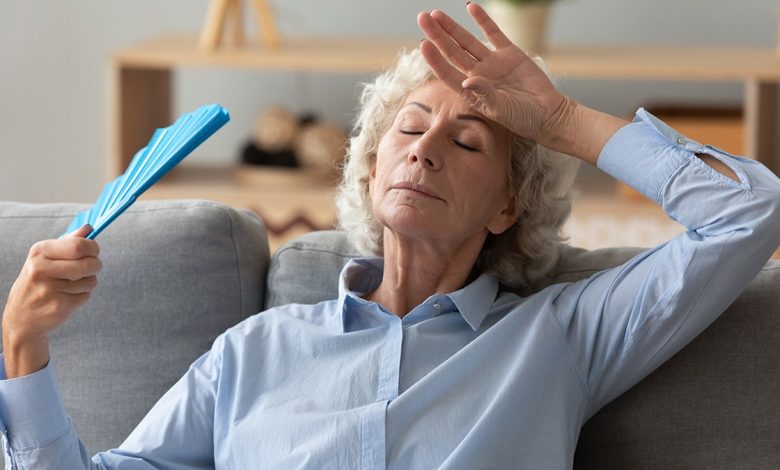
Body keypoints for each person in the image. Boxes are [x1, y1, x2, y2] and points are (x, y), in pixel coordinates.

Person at [2, 4, 779, 469]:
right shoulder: (252, 353)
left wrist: (563, 122)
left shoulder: (560, 337)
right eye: (409, 128)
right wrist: (22, 347)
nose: (425, 148)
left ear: (508, 206)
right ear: (373, 171)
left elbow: (747, 213)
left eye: (468, 142)